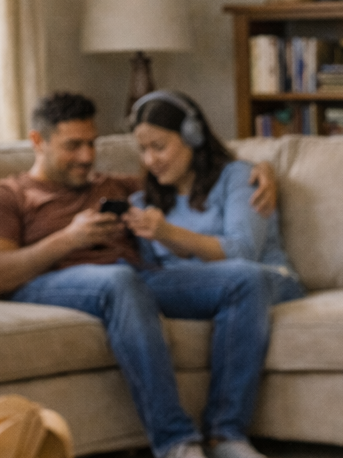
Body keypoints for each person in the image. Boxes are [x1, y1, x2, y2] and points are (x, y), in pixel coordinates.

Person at [0, 92, 284, 458]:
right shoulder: (7, 194)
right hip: (53, 282)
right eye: (73, 146)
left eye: (91, 143)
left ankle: (226, 434)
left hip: (136, 278)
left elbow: (195, 170)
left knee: (247, 278)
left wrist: (261, 169)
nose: (87, 156)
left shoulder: (113, 186)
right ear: (38, 141)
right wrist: (67, 240)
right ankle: (175, 443)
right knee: (118, 282)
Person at [125, 90, 304, 308]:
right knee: (130, 283)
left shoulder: (238, 177)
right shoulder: (142, 201)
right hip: (197, 287)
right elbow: (153, 272)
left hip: (263, 279)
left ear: (193, 136)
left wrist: (169, 233)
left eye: (159, 147)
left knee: (242, 279)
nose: (150, 160)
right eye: (143, 149)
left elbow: (243, 253)